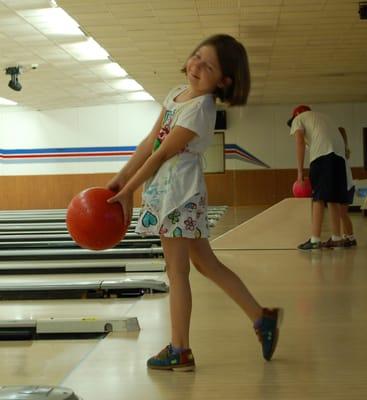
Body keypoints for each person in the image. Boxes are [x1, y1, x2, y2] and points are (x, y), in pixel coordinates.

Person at [106, 34, 282, 371]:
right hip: (170, 194)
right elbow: (150, 142)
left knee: (178, 272)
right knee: (207, 265)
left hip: (179, 197)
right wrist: (122, 176)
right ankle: (262, 318)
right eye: (197, 56)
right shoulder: (175, 94)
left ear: (224, 81)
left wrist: (129, 189)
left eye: (209, 65)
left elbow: (163, 154)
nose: (198, 65)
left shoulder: (202, 108)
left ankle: (180, 349)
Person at [287, 105, 349, 250]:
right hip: (339, 157)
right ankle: (337, 238)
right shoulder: (323, 118)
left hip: (322, 156)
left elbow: (300, 143)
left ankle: (314, 240)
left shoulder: (299, 119)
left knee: (318, 198)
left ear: (296, 115)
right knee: (333, 198)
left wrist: (300, 173)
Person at [336, 127, 357, 247]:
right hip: (346, 187)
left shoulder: (340, 154)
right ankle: (347, 236)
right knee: (342, 214)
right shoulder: (341, 152)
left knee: (342, 214)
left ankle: (351, 237)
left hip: (346, 187)